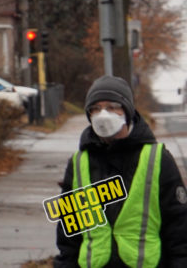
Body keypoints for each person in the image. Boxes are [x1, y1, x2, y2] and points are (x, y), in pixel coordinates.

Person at [53, 75, 187, 267]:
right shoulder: (79, 163)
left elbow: (179, 228)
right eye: (96, 109)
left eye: (111, 107)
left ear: (127, 111)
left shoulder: (157, 159)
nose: (103, 114)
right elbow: (68, 235)